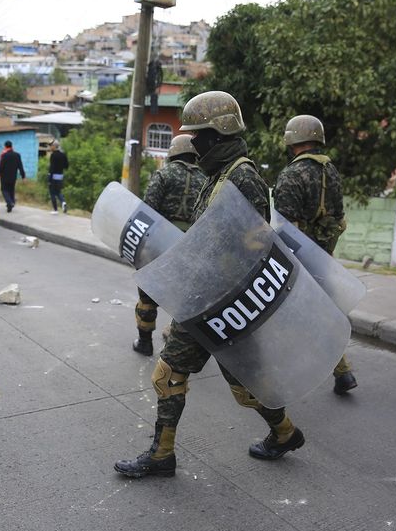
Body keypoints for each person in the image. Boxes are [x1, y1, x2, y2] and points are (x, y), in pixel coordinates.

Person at [115, 91, 305, 479]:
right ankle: (282, 432)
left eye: (199, 136)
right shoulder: (222, 176)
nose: (194, 144)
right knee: (232, 380)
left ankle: (164, 455)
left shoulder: (243, 179)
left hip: (220, 301)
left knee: (191, 376)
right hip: (208, 297)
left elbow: (251, 249)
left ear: (219, 134)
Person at [273, 114, 357, 395]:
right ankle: (342, 370)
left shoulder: (290, 175)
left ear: (292, 139)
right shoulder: (330, 171)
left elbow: (285, 229)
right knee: (321, 313)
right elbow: (339, 217)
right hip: (324, 255)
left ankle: (287, 375)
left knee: (290, 314)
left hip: (298, 259)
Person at [132, 134, 205, 356]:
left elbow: (148, 210)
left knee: (148, 295)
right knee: (184, 297)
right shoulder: (205, 179)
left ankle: (145, 343)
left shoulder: (163, 174)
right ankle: (178, 342)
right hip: (190, 246)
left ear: (173, 153)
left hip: (160, 245)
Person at [0, 140, 25, 212]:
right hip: (13, 176)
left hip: (4, 177)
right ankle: (10, 205)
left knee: (4, 190)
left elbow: (1, 167)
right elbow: (20, 166)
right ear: (12, 146)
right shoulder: (17, 155)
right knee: (11, 190)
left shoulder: (4, 155)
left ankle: (10, 202)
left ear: (5, 146)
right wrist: (23, 176)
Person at [47, 140, 69, 214]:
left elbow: (52, 168)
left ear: (54, 146)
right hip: (60, 176)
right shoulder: (63, 155)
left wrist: (49, 179)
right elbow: (66, 166)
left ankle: (55, 210)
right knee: (58, 191)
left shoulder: (53, 155)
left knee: (52, 193)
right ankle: (63, 202)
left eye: (51, 146)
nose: (50, 147)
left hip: (53, 176)